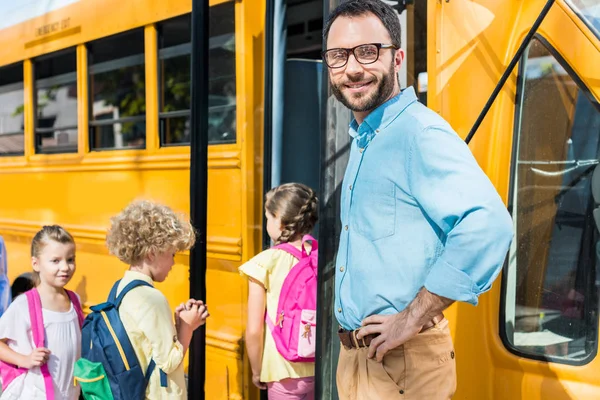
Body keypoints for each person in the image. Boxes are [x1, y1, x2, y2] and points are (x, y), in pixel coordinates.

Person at [322, 1, 514, 399]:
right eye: (339, 56)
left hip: (402, 364)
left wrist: (411, 318)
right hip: (361, 361)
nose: (352, 68)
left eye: (368, 51)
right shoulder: (367, 137)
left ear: (398, 57)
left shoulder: (418, 133)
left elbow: (487, 225)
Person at [105, 200, 209, 399]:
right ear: (152, 254)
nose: (173, 262)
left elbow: (146, 347)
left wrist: (179, 325)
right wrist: (188, 327)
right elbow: (168, 362)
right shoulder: (152, 298)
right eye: (171, 254)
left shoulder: (119, 289)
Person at [239, 183, 319, 400]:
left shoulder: (266, 262)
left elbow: (254, 329)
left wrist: (256, 370)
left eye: (268, 217)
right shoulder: (319, 256)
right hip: (317, 366)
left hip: (282, 371)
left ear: (280, 221)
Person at [0, 225, 83, 399]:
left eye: (70, 259)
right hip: (34, 393)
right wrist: (24, 359)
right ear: (36, 264)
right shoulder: (24, 305)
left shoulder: (74, 300)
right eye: (55, 261)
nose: (65, 267)